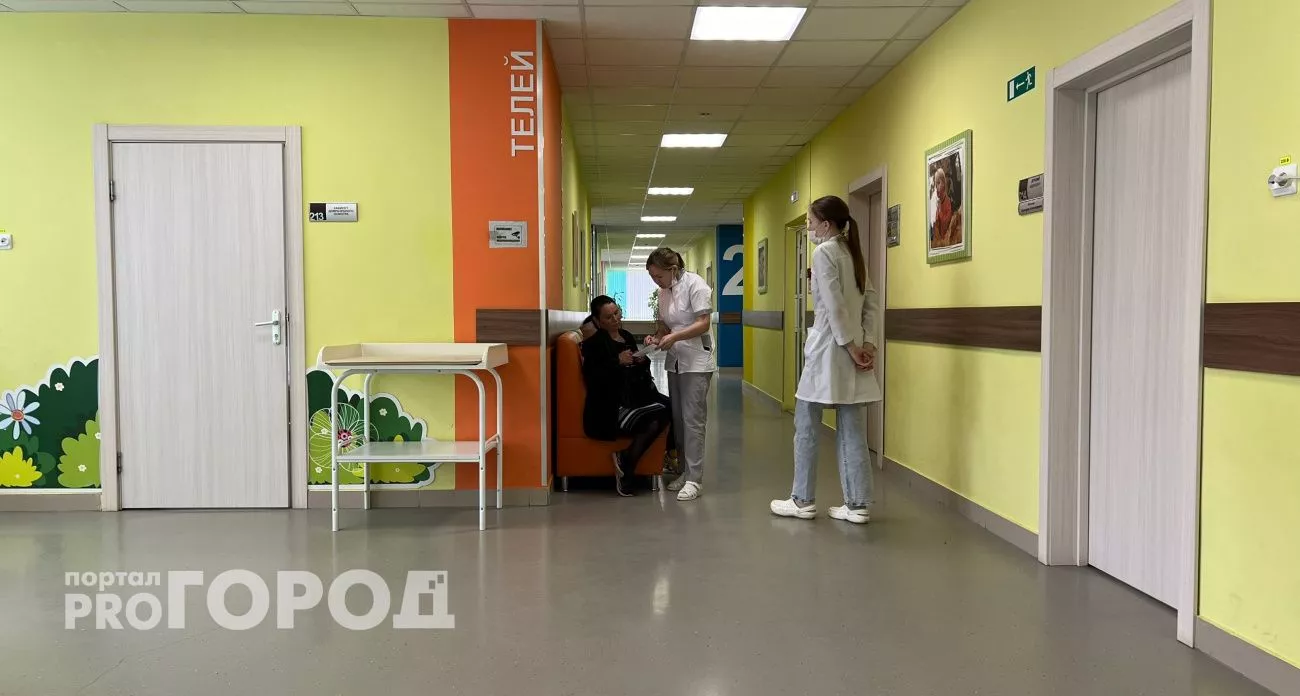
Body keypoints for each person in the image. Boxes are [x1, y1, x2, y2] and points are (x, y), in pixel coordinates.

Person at [770, 195, 881, 524]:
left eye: (810, 221)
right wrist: (867, 345)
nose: (808, 226)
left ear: (826, 224)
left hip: (830, 350)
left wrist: (851, 347)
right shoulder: (852, 252)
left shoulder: (824, 252)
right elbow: (871, 304)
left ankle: (802, 499)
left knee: (806, 423)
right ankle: (857, 504)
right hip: (853, 349)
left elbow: (834, 306)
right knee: (852, 428)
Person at [580, 295, 671, 497]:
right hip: (610, 407)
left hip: (634, 396)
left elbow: (639, 369)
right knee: (658, 417)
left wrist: (641, 360)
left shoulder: (626, 336)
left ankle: (631, 459)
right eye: (609, 317)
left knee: (670, 406)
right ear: (597, 321)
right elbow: (594, 379)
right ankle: (626, 467)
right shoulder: (594, 344)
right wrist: (617, 361)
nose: (615, 319)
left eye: (617, 313)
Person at [644, 248, 715, 501]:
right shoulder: (664, 292)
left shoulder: (696, 285)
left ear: (673, 269)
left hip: (696, 361)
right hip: (675, 361)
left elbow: (703, 323)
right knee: (679, 419)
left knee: (693, 420)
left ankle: (695, 479)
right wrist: (657, 336)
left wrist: (675, 337)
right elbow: (665, 324)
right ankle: (684, 472)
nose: (656, 281)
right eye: (652, 277)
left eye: (658, 276)